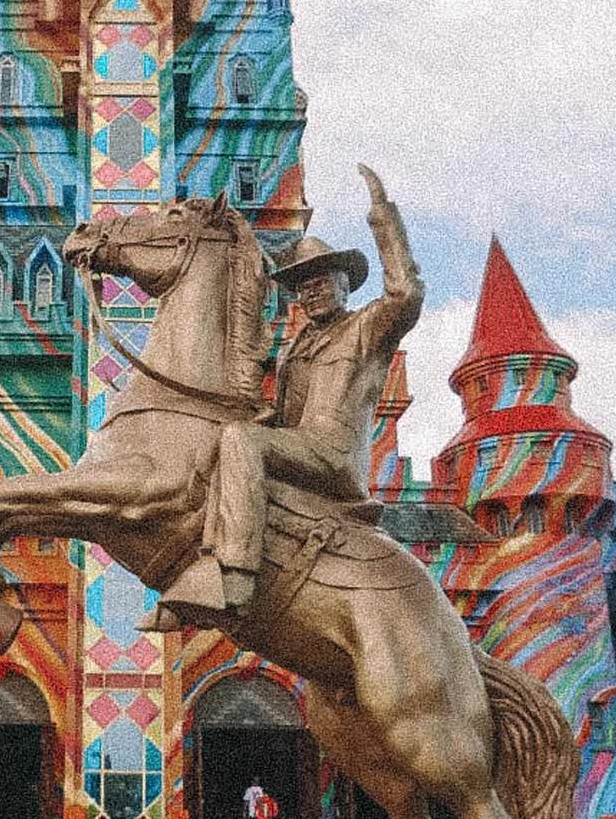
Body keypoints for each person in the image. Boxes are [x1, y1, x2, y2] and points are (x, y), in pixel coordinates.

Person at [159, 169, 424, 625]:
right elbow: (282, 421)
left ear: (345, 282)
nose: (312, 290)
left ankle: (235, 573)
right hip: (300, 451)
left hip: (333, 456)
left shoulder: (367, 328)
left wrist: (383, 216)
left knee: (242, 440)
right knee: (217, 443)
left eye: (322, 279)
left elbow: (405, 292)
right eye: (303, 285)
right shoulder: (296, 349)